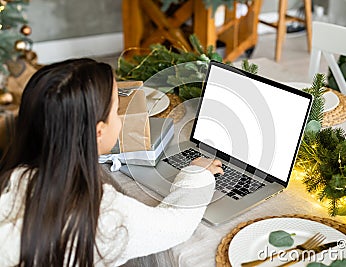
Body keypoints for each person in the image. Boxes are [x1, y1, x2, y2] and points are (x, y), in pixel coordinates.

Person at [0, 58, 223, 266]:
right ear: (98, 131)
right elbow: (175, 226)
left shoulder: (14, 179)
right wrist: (196, 173)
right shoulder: (103, 213)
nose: (120, 118)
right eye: (116, 111)